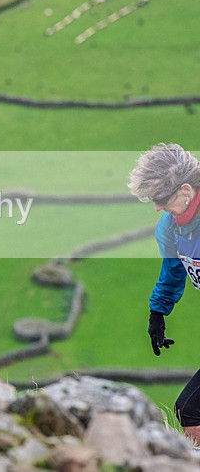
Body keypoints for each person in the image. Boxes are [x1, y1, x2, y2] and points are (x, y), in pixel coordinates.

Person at [129, 142, 200, 446]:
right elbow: (173, 272)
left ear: (186, 191)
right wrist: (157, 312)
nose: (157, 207)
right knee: (189, 411)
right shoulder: (169, 229)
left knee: (190, 409)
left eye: (161, 198)